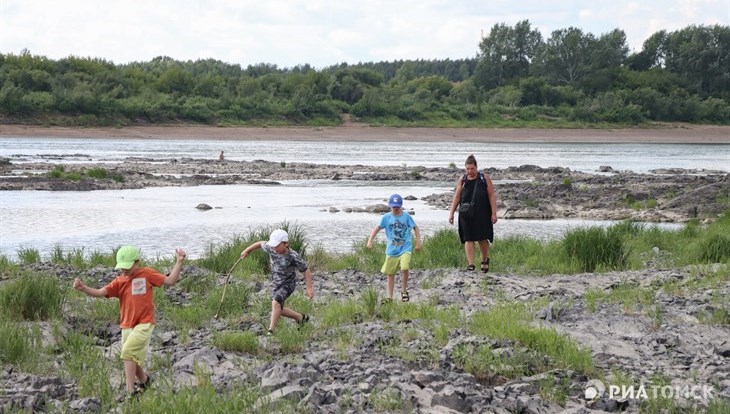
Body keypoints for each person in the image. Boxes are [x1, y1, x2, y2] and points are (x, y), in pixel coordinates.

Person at [73, 246, 186, 399]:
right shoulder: (120, 281)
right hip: (127, 325)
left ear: (137, 262)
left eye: (127, 267)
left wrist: (179, 261)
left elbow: (170, 281)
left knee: (127, 353)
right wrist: (83, 288)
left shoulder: (147, 274)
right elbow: (100, 292)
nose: (124, 271)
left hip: (145, 323)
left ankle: (130, 392)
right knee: (131, 357)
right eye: (122, 267)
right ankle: (145, 381)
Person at [240, 229, 314, 335]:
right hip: (276, 283)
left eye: (277, 245)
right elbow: (260, 243)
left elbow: (306, 270)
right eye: (273, 245)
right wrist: (247, 251)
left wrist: (309, 288)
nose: (274, 248)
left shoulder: (293, 256)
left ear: (286, 244)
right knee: (278, 307)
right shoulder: (271, 249)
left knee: (276, 302)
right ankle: (300, 318)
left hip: (288, 283)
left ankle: (271, 330)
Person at [367, 194, 422, 302]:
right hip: (392, 250)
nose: (396, 209)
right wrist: (370, 241)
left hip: (405, 247)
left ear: (401, 206)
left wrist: (418, 242)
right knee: (390, 274)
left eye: (397, 207)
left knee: (404, 267)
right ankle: (389, 297)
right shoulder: (386, 217)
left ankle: (404, 290)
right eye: (393, 207)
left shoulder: (406, 216)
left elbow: (415, 227)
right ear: (390, 206)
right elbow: (376, 229)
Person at [448, 154, 497, 273]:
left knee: (482, 238)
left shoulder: (484, 178)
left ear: (476, 167)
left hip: (482, 213)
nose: (470, 171)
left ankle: (485, 261)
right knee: (468, 238)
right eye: (468, 169)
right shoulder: (462, 179)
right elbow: (457, 196)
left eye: (472, 168)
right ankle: (471, 264)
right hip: (466, 213)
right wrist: (452, 213)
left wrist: (494, 213)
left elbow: (491, 196)